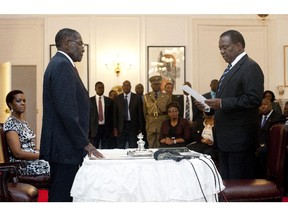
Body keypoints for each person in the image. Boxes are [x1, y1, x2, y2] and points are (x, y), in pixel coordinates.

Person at [40, 28, 103, 202]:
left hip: (65, 146)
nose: (83, 49)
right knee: (62, 196)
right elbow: (67, 111)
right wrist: (85, 144)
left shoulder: (62, 64)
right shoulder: (61, 65)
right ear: (68, 44)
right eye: (81, 44)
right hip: (64, 147)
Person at [196, 29, 264, 179]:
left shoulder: (250, 67)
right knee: (227, 185)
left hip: (239, 141)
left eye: (225, 47)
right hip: (225, 140)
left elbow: (254, 99)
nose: (221, 51)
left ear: (239, 46)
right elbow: (224, 102)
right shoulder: (229, 69)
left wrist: (222, 103)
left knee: (238, 188)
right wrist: (208, 107)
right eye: (219, 48)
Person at [3, 90, 50, 176]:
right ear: (10, 104)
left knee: (58, 162)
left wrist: (45, 153)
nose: (23, 103)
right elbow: (17, 153)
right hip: (22, 164)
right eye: (18, 101)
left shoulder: (24, 123)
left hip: (33, 160)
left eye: (24, 101)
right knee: (55, 166)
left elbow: (32, 147)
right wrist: (41, 156)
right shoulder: (10, 123)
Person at [255, 98, 283, 178]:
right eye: (260, 105)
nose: (262, 107)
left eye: (264, 104)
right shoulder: (257, 117)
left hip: (270, 149)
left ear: (271, 105)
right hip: (257, 149)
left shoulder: (278, 117)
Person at [114, 80, 144, 149]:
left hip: (133, 126)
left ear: (130, 87)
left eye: (128, 85)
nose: (126, 87)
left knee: (133, 145)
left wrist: (140, 128)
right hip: (121, 126)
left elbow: (140, 113)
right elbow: (115, 114)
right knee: (120, 146)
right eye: (125, 85)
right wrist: (115, 127)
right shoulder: (118, 98)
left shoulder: (137, 98)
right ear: (122, 87)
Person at [143, 75, 171, 148]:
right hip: (150, 123)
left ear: (160, 85)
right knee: (150, 144)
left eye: (158, 84)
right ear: (151, 85)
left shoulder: (166, 96)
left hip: (162, 122)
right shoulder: (146, 96)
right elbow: (144, 112)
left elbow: (169, 112)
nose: (156, 86)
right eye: (154, 84)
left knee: (161, 144)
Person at [89, 81, 114, 149]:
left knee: (106, 148)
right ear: (95, 89)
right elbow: (88, 116)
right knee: (94, 148)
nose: (101, 89)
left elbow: (112, 116)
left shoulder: (109, 101)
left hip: (106, 129)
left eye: (102, 88)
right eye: (99, 88)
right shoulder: (90, 101)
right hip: (94, 129)